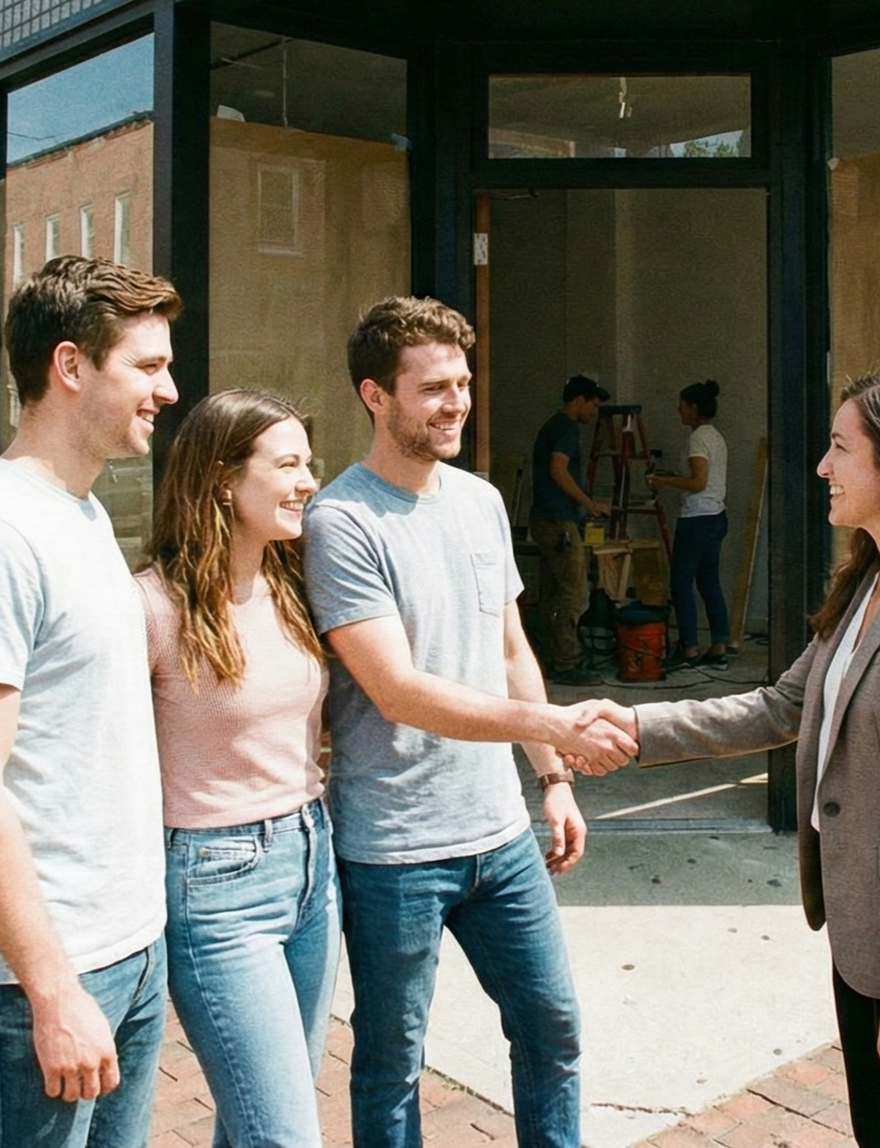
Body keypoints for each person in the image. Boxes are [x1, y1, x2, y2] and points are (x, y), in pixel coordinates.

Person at [582, 368, 880, 1148]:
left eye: (840, 447)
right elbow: (779, 707)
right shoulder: (868, 581)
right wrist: (631, 724)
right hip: (866, 939)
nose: (823, 467)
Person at [302, 296, 636, 1148]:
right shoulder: (341, 522)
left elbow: (513, 648)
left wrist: (553, 781)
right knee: (390, 1062)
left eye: (463, 384)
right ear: (376, 396)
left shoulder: (482, 501)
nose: (456, 403)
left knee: (553, 1029)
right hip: (394, 849)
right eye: (433, 388)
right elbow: (398, 691)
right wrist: (558, 726)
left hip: (499, 835)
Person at [0, 255, 180, 1148]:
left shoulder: (84, 514)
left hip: (126, 949)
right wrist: (52, 989)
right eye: (147, 366)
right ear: (70, 367)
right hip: (31, 981)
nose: (168, 390)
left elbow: (15, 741)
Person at [139, 389, 338, 1148]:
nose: (308, 482)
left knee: (258, 1121)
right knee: (284, 1135)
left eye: (308, 463)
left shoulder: (290, 588)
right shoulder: (153, 609)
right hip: (216, 883)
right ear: (224, 478)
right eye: (287, 464)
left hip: (312, 865)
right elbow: (75, 727)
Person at [529, 374, 612, 686]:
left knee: (552, 593)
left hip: (546, 519)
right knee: (573, 592)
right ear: (579, 400)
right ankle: (567, 663)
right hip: (558, 520)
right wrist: (589, 504)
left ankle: (551, 658)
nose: (593, 412)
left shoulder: (552, 425)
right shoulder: (566, 428)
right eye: (592, 405)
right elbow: (558, 469)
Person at [646, 379, 731, 670]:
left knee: (681, 584)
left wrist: (663, 481)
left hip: (696, 519)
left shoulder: (697, 439)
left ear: (694, 408)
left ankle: (690, 649)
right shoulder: (715, 436)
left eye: (682, 405)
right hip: (716, 516)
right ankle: (719, 646)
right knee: (709, 582)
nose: (678, 410)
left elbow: (698, 482)